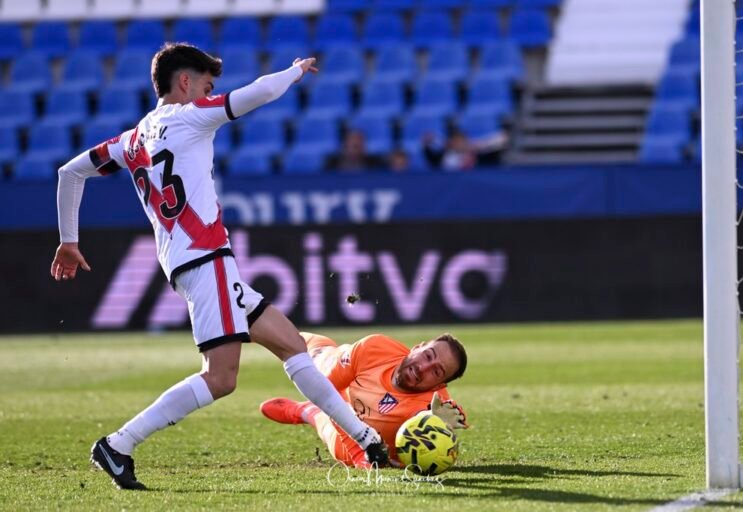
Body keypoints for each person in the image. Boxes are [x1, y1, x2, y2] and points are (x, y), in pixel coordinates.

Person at [49, 43, 389, 490]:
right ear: (184, 83)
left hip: (196, 262)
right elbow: (255, 95)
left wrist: (68, 241)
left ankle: (367, 440)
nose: (211, 91)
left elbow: (69, 174)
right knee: (221, 378)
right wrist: (292, 71)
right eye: (206, 84)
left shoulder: (130, 141)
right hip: (204, 259)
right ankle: (118, 444)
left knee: (292, 346)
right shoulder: (189, 115)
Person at [260, 331, 469, 468]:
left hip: (351, 425)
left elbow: (433, 421)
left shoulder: (434, 407)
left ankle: (305, 412)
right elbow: (326, 392)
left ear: (439, 386)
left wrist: (438, 427)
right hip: (342, 384)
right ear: (416, 347)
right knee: (316, 360)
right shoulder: (374, 348)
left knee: (335, 442)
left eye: (436, 371)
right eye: (428, 355)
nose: (423, 367)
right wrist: (358, 453)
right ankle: (272, 326)